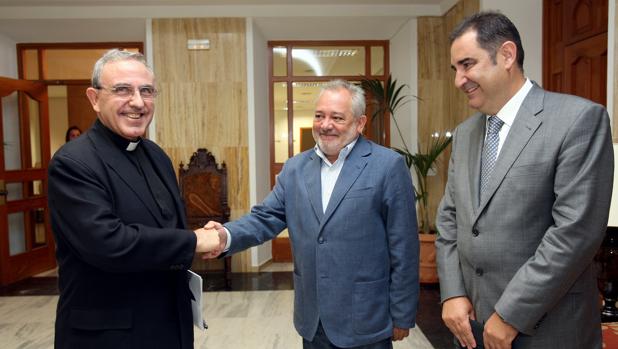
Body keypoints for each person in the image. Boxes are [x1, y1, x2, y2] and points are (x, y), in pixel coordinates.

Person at [436, 11, 613, 349]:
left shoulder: (578, 120)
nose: (459, 80)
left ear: (506, 55)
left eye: (467, 64)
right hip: (472, 327)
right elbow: (449, 220)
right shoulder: (465, 134)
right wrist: (453, 293)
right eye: (454, 69)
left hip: (548, 329)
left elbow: (575, 233)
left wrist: (511, 314)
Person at [206, 79, 419, 348]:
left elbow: (405, 247)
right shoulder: (295, 168)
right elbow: (265, 218)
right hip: (313, 318)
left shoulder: (388, 166)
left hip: (367, 319)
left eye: (337, 117)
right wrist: (225, 235)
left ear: (360, 123)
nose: (325, 124)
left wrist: (402, 313)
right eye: (319, 115)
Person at [48, 49, 220, 349]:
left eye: (147, 91)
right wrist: (194, 241)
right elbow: (108, 244)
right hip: (108, 336)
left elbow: (168, 226)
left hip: (169, 327)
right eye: (122, 90)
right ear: (94, 98)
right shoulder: (73, 163)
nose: (138, 102)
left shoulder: (156, 155)